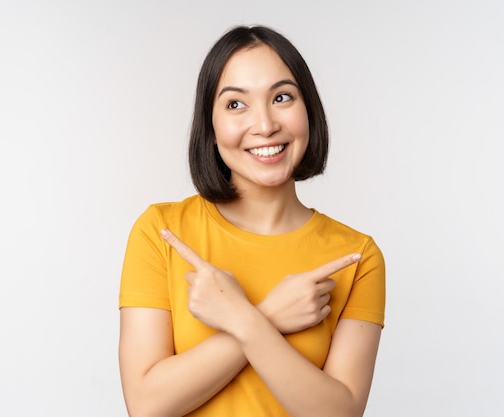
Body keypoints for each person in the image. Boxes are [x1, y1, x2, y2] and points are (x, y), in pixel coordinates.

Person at [118, 25, 385, 417]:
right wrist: (270, 315)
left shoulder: (356, 256)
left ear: (308, 109)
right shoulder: (162, 232)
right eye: (235, 104)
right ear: (209, 127)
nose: (264, 125)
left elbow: (339, 413)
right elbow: (146, 406)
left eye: (281, 97)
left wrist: (244, 320)